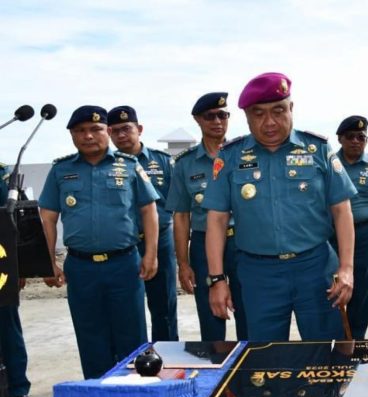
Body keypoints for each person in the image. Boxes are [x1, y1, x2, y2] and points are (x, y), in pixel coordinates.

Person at [203, 72, 356, 341]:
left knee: (327, 352)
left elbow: (342, 210)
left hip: (316, 267)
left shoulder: (317, 149)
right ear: (247, 117)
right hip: (258, 273)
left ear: (291, 108)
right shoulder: (229, 156)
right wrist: (216, 280)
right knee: (264, 359)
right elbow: (216, 220)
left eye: (278, 110)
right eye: (258, 113)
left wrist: (346, 268)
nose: (270, 122)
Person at [39, 106, 160, 379]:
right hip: (81, 268)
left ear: (107, 131)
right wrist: (48, 262)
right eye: (80, 131)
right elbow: (47, 218)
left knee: (132, 335)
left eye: (96, 129)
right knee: (90, 335)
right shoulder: (61, 170)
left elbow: (148, 210)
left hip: (124, 265)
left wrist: (150, 254)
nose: (88, 136)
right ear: (72, 135)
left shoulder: (129, 166)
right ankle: (98, 394)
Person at [166, 92, 247, 341]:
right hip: (202, 244)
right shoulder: (185, 164)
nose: (217, 121)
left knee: (250, 312)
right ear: (197, 120)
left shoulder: (245, 154)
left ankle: (252, 374)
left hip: (243, 242)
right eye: (209, 116)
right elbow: (181, 216)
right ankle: (215, 370)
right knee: (211, 315)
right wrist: (183, 263)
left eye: (222, 115)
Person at [108, 105, 178, 341]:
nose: (121, 135)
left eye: (127, 129)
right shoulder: (107, 164)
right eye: (115, 130)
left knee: (164, 308)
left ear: (139, 129)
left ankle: (167, 357)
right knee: (125, 309)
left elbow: (177, 205)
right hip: (123, 245)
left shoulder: (164, 162)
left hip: (161, 241)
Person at [329, 115, 368, 338]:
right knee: (329, 289)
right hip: (330, 236)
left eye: (361, 137)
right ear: (340, 139)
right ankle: (334, 340)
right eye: (350, 137)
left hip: (365, 235)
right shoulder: (328, 166)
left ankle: (356, 341)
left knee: (361, 291)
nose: (356, 141)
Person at [0, 163, 31, 397]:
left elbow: (18, 224)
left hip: (1, 264)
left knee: (6, 328)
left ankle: (16, 390)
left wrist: (18, 266)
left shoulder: (5, 177)